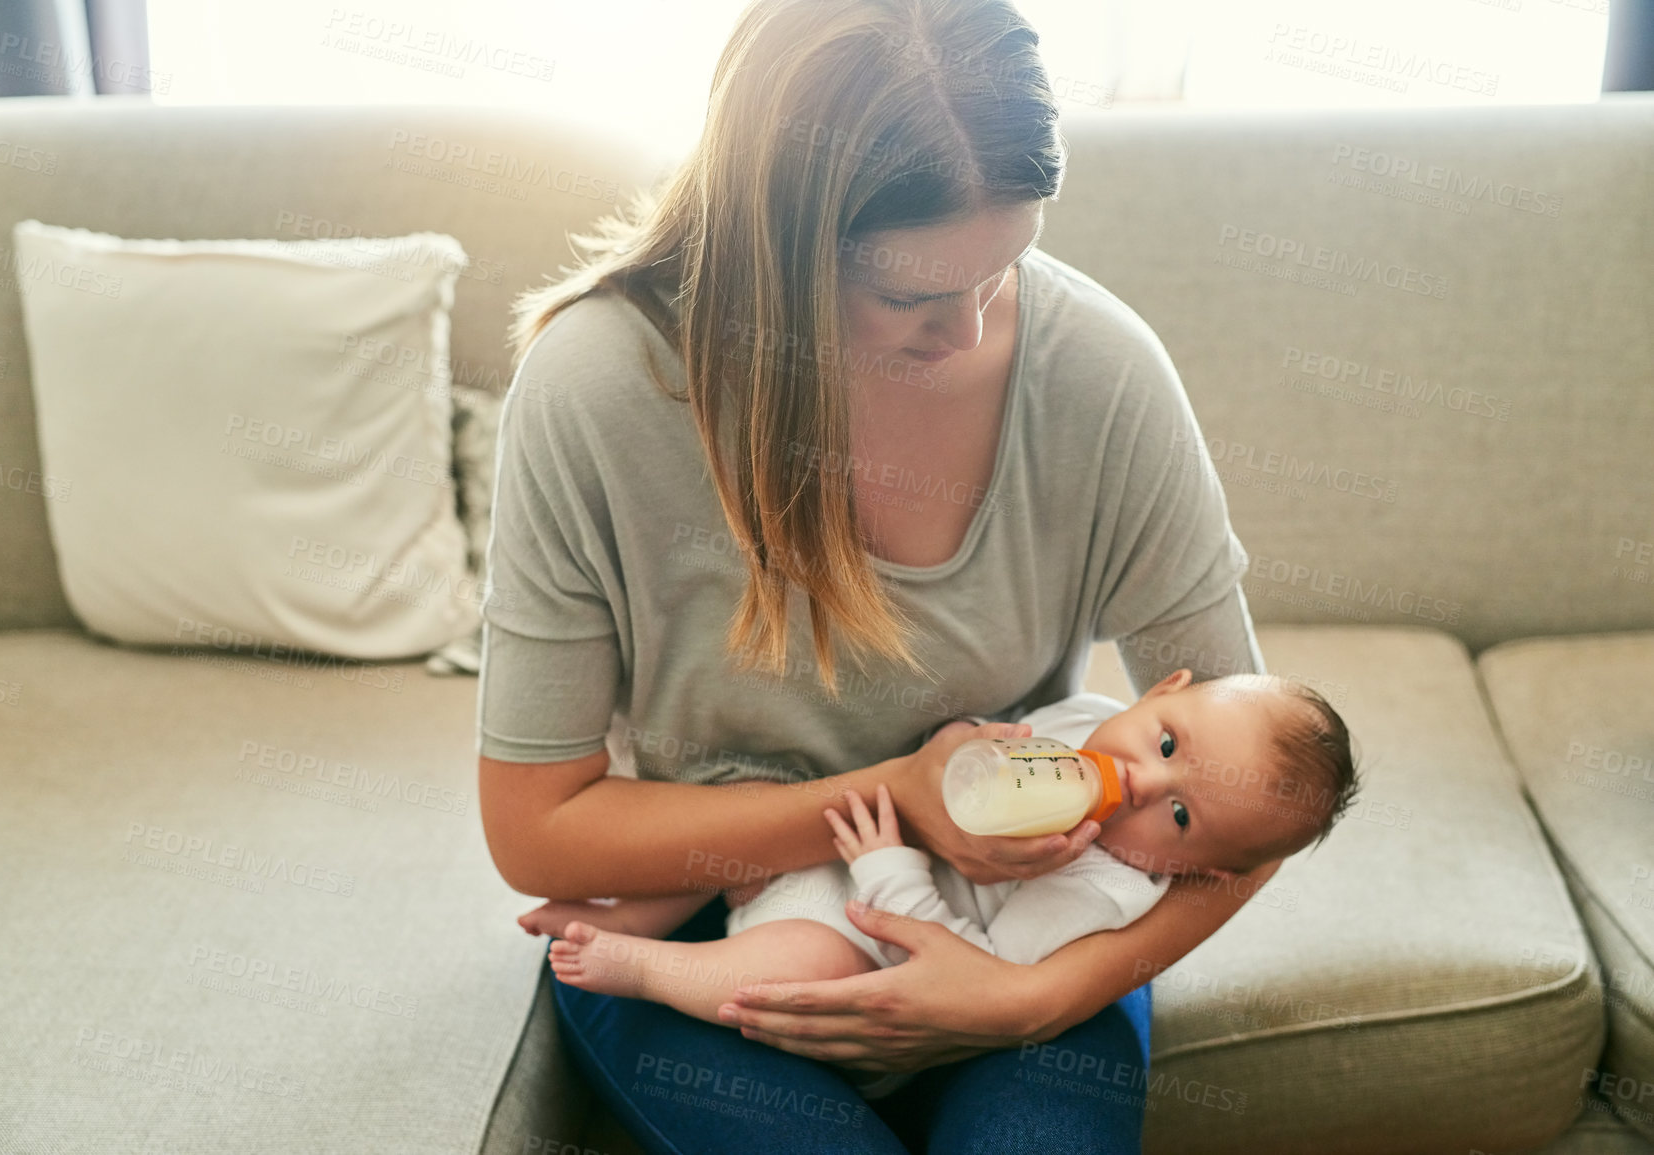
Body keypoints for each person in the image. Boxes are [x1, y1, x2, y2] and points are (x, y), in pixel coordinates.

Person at [477, 1, 1285, 1150]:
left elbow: (1254, 787)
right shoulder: (595, 392)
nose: (968, 333)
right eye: (910, 298)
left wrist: (1028, 998)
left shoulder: (1100, 376)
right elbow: (539, 831)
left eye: (1006, 266)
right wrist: (901, 798)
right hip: (715, 917)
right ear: (774, 253)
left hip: (1022, 917)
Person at [521, 672, 1359, 1101]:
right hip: (839, 846)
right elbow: (968, 749)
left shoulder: (1105, 894)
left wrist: (891, 869)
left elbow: (970, 972)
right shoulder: (1080, 718)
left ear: (1198, 870)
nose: (1138, 781)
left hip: (866, 941)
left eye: (1178, 816)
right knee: (752, 810)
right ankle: (624, 906)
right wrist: (960, 742)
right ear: (1159, 690)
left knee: (801, 968)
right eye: (1165, 743)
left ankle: (642, 964)